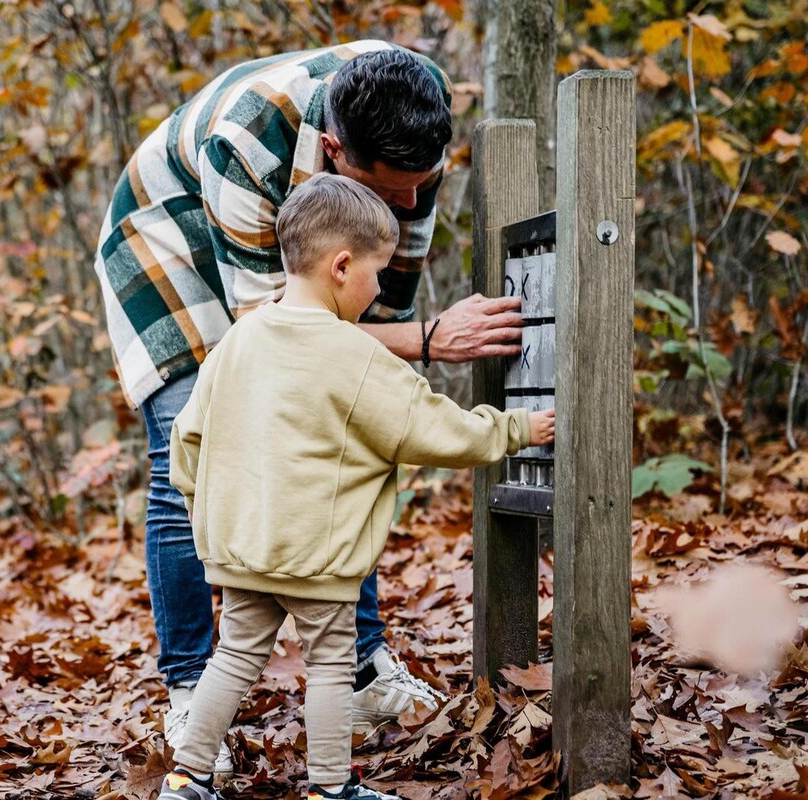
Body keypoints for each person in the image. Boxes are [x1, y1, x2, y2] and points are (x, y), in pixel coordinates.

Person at [93, 41, 525, 772]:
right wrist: (425, 341)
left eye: (420, 185)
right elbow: (274, 333)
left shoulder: (411, 130)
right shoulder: (249, 140)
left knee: (338, 431)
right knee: (181, 444)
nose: (413, 202)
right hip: (169, 241)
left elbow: (377, 304)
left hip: (286, 256)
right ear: (333, 148)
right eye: (393, 189)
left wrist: (393, 361)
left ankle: (359, 669)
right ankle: (192, 693)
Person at [156, 174, 556, 800]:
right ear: (342, 266)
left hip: (242, 550)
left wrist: (213, 515)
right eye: (376, 273)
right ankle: (329, 787)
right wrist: (513, 428)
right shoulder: (353, 354)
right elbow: (430, 427)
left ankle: (187, 776)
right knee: (331, 664)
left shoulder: (238, 341)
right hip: (319, 557)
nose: (378, 290)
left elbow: (187, 440)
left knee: (232, 657)